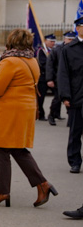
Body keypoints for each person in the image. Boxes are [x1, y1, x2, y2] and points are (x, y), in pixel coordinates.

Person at [0, 29, 57, 207]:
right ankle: (42, 184)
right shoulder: (32, 60)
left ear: (11, 42)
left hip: (10, 110)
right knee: (17, 148)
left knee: (0, 148)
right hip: (27, 109)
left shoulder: (9, 62)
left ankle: (2, 192)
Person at [57, 17, 83, 174]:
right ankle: (75, 161)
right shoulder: (68, 49)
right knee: (75, 131)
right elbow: (63, 74)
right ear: (78, 28)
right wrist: (65, 96)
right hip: (76, 97)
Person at [46, 33, 68, 125]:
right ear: (65, 39)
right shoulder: (57, 50)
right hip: (58, 78)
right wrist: (50, 79)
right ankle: (51, 115)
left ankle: (71, 119)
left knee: (72, 100)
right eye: (69, 39)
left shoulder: (77, 49)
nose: (71, 41)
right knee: (58, 98)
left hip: (72, 80)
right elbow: (50, 65)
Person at [35, 34, 55, 120]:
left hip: (53, 77)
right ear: (45, 41)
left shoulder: (54, 51)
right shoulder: (41, 51)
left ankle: (54, 114)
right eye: (51, 41)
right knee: (41, 97)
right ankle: (41, 113)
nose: (53, 43)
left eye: (54, 41)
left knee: (58, 96)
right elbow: (42, 63)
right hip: (43, 77)